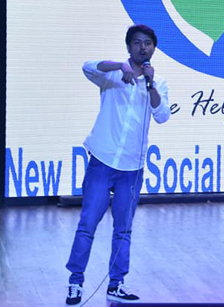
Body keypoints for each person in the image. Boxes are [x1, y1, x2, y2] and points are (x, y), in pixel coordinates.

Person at [65, 24, 170, 305]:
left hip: (132, 168)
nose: (142, 47)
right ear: (128, 47)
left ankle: (116, 284)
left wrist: (150, 83)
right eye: (137, 42)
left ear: (154, 48)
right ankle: (75, 282)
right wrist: (119, 65)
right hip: (103, 161)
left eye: (148, 43)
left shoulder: (157, 82)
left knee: (123, 229)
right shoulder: (112, 75)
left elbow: (162, 115)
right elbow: (88, 67)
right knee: (88, 224)